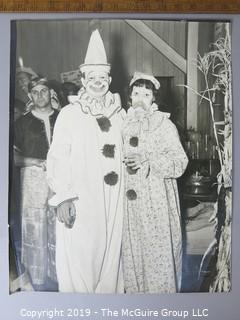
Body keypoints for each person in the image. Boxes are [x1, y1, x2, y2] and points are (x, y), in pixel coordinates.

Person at [47, 29, 125, 293]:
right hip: (81, 198)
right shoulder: (69, 114)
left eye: (102, 78)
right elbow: (57, 156)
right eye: (92, 78)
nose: (98, 82)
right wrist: (64, 197)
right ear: (82, 79)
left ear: (110, 79)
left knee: (111, 259)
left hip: (114, 201)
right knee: (82, 257)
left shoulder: (120, 113)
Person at [122, 72, 188, 293]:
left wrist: (149, 161)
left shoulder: (164, 125)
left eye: (146, 94)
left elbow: (180, 162)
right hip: (129, 206)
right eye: (137, 92)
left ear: (154, 99)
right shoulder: (123, 123)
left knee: (157, 254)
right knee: (134, 255)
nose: (140, 98)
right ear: (129, 96)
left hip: (156, 200)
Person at [14, 77, 59, 290]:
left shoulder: (63, 118)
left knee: (60, 226)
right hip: (32, 179)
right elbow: (10, 158)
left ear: (51, 93)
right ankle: (36, 280)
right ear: (30, 95)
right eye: (36, 92)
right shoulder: (21, 123)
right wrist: (34, 162)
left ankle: (60, 275)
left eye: (44, 90)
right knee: (33, 227)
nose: (40, 95)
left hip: (60, 179)